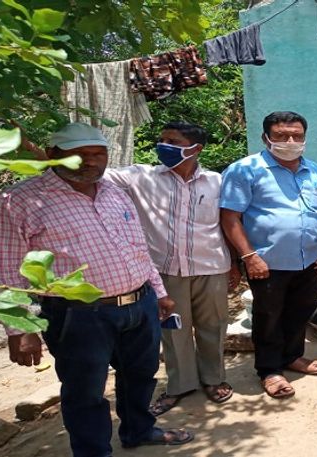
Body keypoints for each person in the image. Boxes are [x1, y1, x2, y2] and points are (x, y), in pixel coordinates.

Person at [0, 123, 193, 456]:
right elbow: (5, 267)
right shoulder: (17, 200)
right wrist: (20, 328)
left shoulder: (113, 191)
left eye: (98, 153)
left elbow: (137, 247)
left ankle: (138, 430)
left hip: (139, 303)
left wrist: (158, 291)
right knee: (85, 390)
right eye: (81, 154)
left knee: (141, 376)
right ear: (54, 154)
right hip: (78, 315)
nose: (91, 161)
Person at [105, 121, 240, 415]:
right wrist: (50, 155)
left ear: (196, 148)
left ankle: (214, 379)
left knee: (214, 325)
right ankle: (179, 385)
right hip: (164, 272)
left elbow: (228, 224)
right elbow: (88, 168)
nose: (164, 145)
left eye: (174, 141)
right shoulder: (140, 177)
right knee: (172, 329)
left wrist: (235, 265)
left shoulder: (217, 182)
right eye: (163, 139)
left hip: (211, 266)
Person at [220, 111, 317, 399]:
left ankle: (292, 356)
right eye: (281, 136)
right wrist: (248, 256)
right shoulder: (245, 170)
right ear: (266, 138)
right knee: (269, 316)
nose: (290, 141)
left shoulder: (315, 171)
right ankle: (270, 369)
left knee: (301, 311)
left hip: (312, 259)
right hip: (267, 262)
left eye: (297, 136)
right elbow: (230, 217)